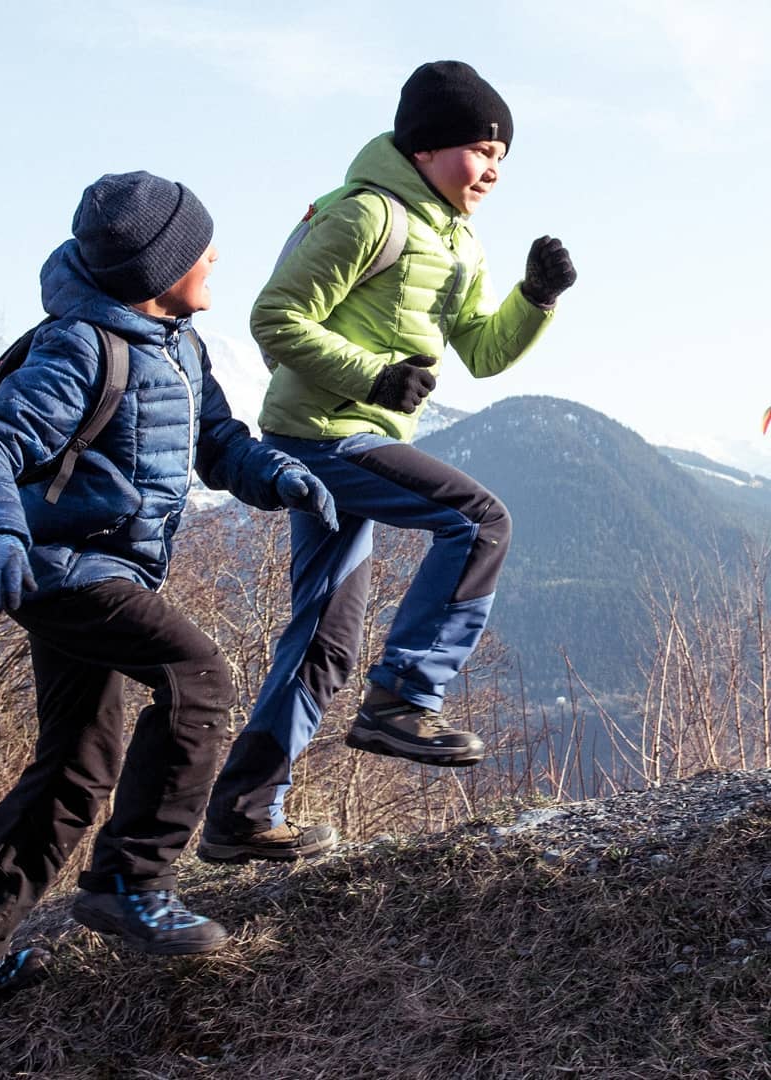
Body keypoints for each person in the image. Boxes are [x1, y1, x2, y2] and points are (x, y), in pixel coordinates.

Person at [0, 170, 338, 999]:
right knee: (198, 678)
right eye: (199, 246)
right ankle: (132, 882)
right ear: (156, 270)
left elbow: (216, 441)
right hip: (65, 573)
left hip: (104, 571)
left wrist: (272, 474)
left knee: (78, 760)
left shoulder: (179, 346)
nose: (215, 255)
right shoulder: (78, 347)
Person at [199, 60, 577, 864]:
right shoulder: (368, 215)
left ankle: (242, 814)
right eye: (483, 150)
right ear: (430, 146)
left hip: (363, 437)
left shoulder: (458, 240)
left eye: (503, 158)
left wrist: (534, 299)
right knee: (478, 520)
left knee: (323, 643)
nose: (494, 171)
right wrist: (372, 375)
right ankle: (404, 697)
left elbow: (480, 351)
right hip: (320, 434)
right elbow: (275, 317)